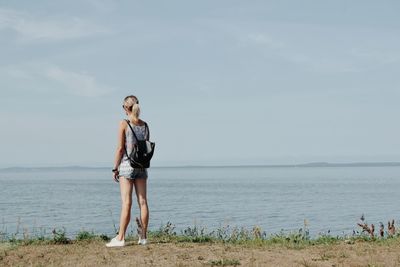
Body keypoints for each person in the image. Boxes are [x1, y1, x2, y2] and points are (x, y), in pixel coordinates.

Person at [106, 95, 150, 247]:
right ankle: (143, 237)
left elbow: (120, 149)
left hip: (127, 166)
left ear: (126, 108)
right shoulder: (145, 125)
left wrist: (115, 168)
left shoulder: (124, 123)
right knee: (143, 202)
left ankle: (120, 238)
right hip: (142, 167)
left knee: (126, 203)